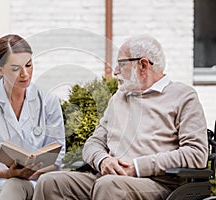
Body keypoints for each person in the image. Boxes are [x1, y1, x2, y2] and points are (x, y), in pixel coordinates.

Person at [33, 34, 208, 199]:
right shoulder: (119, 98)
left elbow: (196, 153)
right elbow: (93, 143)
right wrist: (103, 160)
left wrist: (137, 167)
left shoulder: (183, 96)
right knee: (50, 182)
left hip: (156, 184)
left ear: (143, 65)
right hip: (107, 179)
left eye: (121, 64)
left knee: (109, 186)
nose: (115, 71)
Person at [0, 34, 65, 200]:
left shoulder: (48, 101)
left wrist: (32, 172)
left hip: (36, 183)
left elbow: (58, 152)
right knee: (11, 187)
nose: (25, 74)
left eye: (29, 65)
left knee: (18, 187)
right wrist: (8, 173)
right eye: (15, 68)